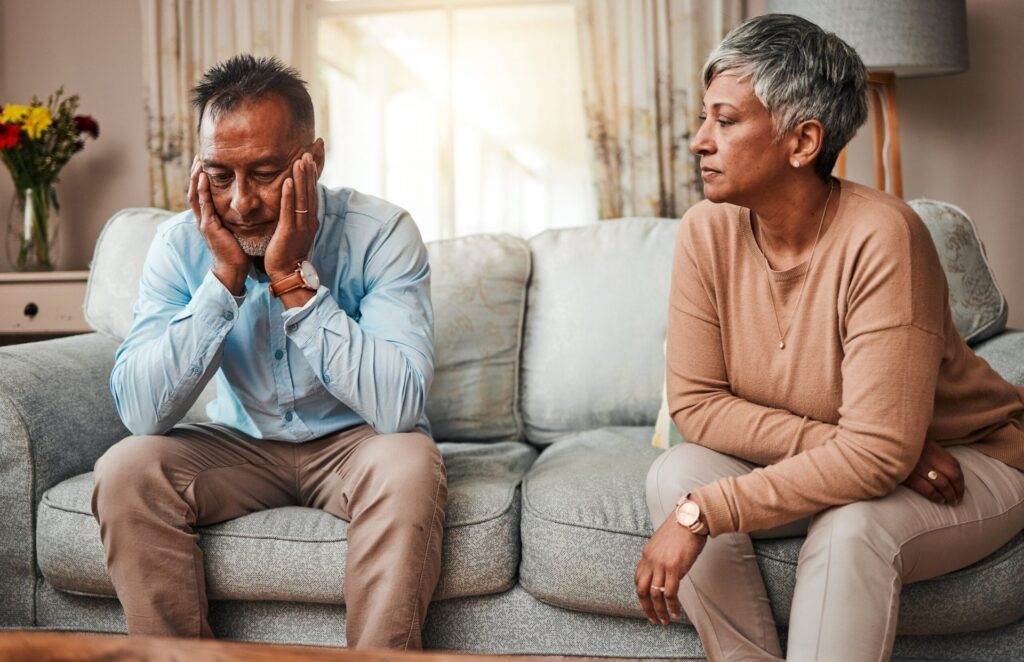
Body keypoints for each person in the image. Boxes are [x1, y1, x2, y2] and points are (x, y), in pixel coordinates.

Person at [636, 14, 1024, 661]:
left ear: (803, 141)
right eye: (704, 118)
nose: (699, 141)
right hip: (897, 455)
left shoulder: (884, 236)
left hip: (967, 461)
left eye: (724, 121)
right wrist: (866, 448)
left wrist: (704, 513)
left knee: (853, 526)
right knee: (676, 471)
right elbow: (697, 405)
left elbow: (875, 457)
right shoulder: (705, 232)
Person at [91, 54, 445, 650]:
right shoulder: (178, 245)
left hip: (358, 444)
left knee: (409, 461)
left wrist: (290, 280)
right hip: (240, 447)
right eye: (219, 175)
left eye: (264, 173)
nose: (241, 203)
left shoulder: (382, 234)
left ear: (314, 160)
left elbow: (398, 408)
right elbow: (142, 414)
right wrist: (224, 278)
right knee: (125, 469)